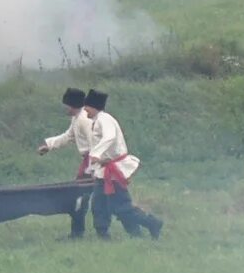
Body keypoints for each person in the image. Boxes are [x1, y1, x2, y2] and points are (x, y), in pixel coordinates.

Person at [84, 90, 163, 240]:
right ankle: (103, 234)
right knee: (98, 205)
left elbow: (109, 137)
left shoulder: (105, 119)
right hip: (104, 171)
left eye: (86, 107)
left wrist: (96, 154)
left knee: (121, 207)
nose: (85, 110)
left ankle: (151, 223)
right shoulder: (96, 121)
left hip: (113, 171)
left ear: (93, 106)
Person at [38, 87, 96, 239]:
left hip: (93, 161)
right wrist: (49, 145)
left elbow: (94, 142)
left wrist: (92, 168)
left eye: (67, 105)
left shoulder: (84, 120)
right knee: (83, 196)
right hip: (89, 160)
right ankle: (78, 232)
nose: (65, 108)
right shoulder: (77, 118)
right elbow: (68, 136)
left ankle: (77, 233)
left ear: (73, 105)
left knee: (80, 196)